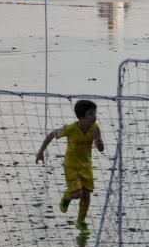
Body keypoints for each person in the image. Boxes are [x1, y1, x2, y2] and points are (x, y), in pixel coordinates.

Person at [35, 99, 106, 237]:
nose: (94, 116)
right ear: (81, 116)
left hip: (87, 166)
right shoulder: (71, 129)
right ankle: (67, 197)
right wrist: (40, 152)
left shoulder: (95, 128)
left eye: (95, 113)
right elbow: (51, 134)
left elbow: (101, 149)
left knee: (86, 196)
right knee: (77, 194)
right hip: (71, 166)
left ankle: (80, 222)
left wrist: (98, 141)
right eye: (91, 114)